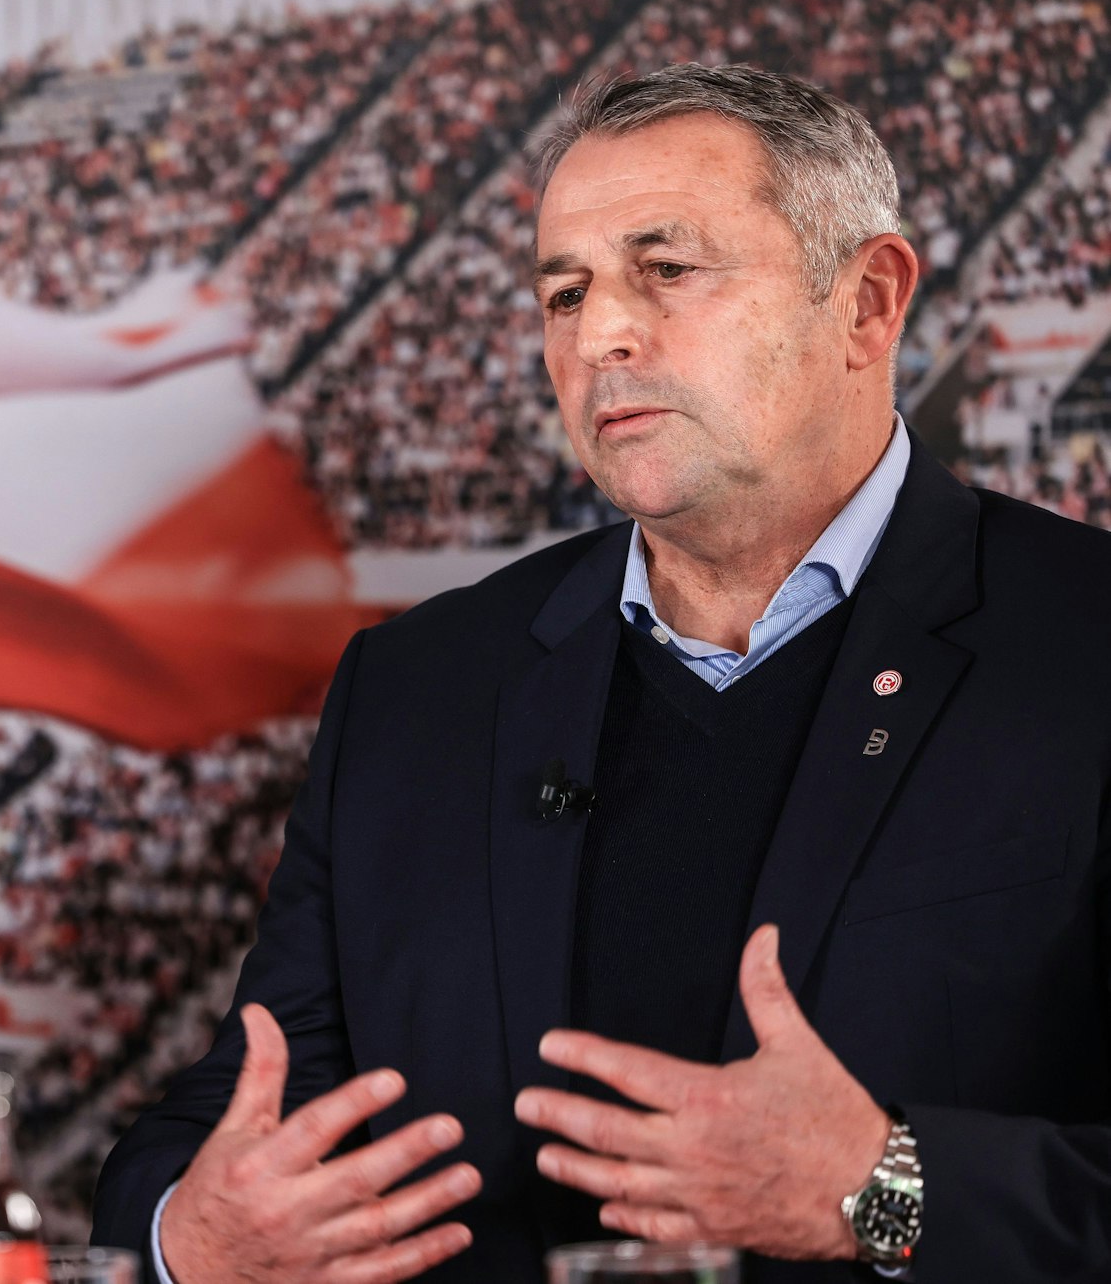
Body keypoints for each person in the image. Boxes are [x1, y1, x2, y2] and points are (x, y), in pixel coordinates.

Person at [93, 63, 1111, 1282]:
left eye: (666, 269)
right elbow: (235, 1117)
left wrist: (883, 1187)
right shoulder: (418, 689)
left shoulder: (1083, 642)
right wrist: (195, 1237)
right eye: (563, 293)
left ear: (868, 302)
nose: (599, 335)